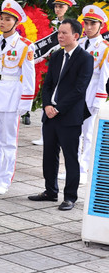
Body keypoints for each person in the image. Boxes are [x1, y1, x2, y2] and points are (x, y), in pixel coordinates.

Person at [29, 18, 91, 211]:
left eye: (64, 33)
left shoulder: (85, 58)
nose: (60, 36)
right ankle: (50, 191)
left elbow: (80, 89)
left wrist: (58, 108)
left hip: (69, 115)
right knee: (49, 155)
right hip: (50, 114)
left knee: (71, 157)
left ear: (76, 36)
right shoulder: (56, 56)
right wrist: (47, 105)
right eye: (59, 33)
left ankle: (70, 197)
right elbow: (47, 84)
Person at [0, 0, 35, 196]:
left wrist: (26, 102)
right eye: (2, 18)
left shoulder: (25, 46)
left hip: (12, 95)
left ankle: (4, 179)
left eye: (8, 19)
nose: (3, 22)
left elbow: (29, 76)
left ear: (16, 22)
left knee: (8, 141)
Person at [75, 7, 109, 187]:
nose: (88, 27)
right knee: (74, 132)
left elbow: (104, 76)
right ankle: (73, 167)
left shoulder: (104, 48)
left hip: (92, 91)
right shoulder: (79, 44)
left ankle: (83, 169)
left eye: (92, 24)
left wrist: (98, 100)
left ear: (101, 26)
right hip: (77, 92)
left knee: (88, 133)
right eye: (86, 23)